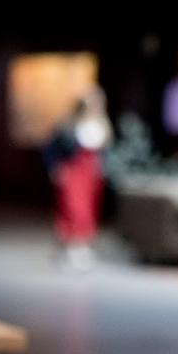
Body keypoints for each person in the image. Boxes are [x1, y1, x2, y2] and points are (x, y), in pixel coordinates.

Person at [42, 87, 112, 271]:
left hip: (91, 174)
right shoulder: (69, 125)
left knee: (88, 211)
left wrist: (103, 168)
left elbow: (104, 152)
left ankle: (82, 247)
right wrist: (55, 167)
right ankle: (69, 247)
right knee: (73, 208)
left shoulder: (103, 125)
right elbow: (50, 147)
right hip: (74, 171)